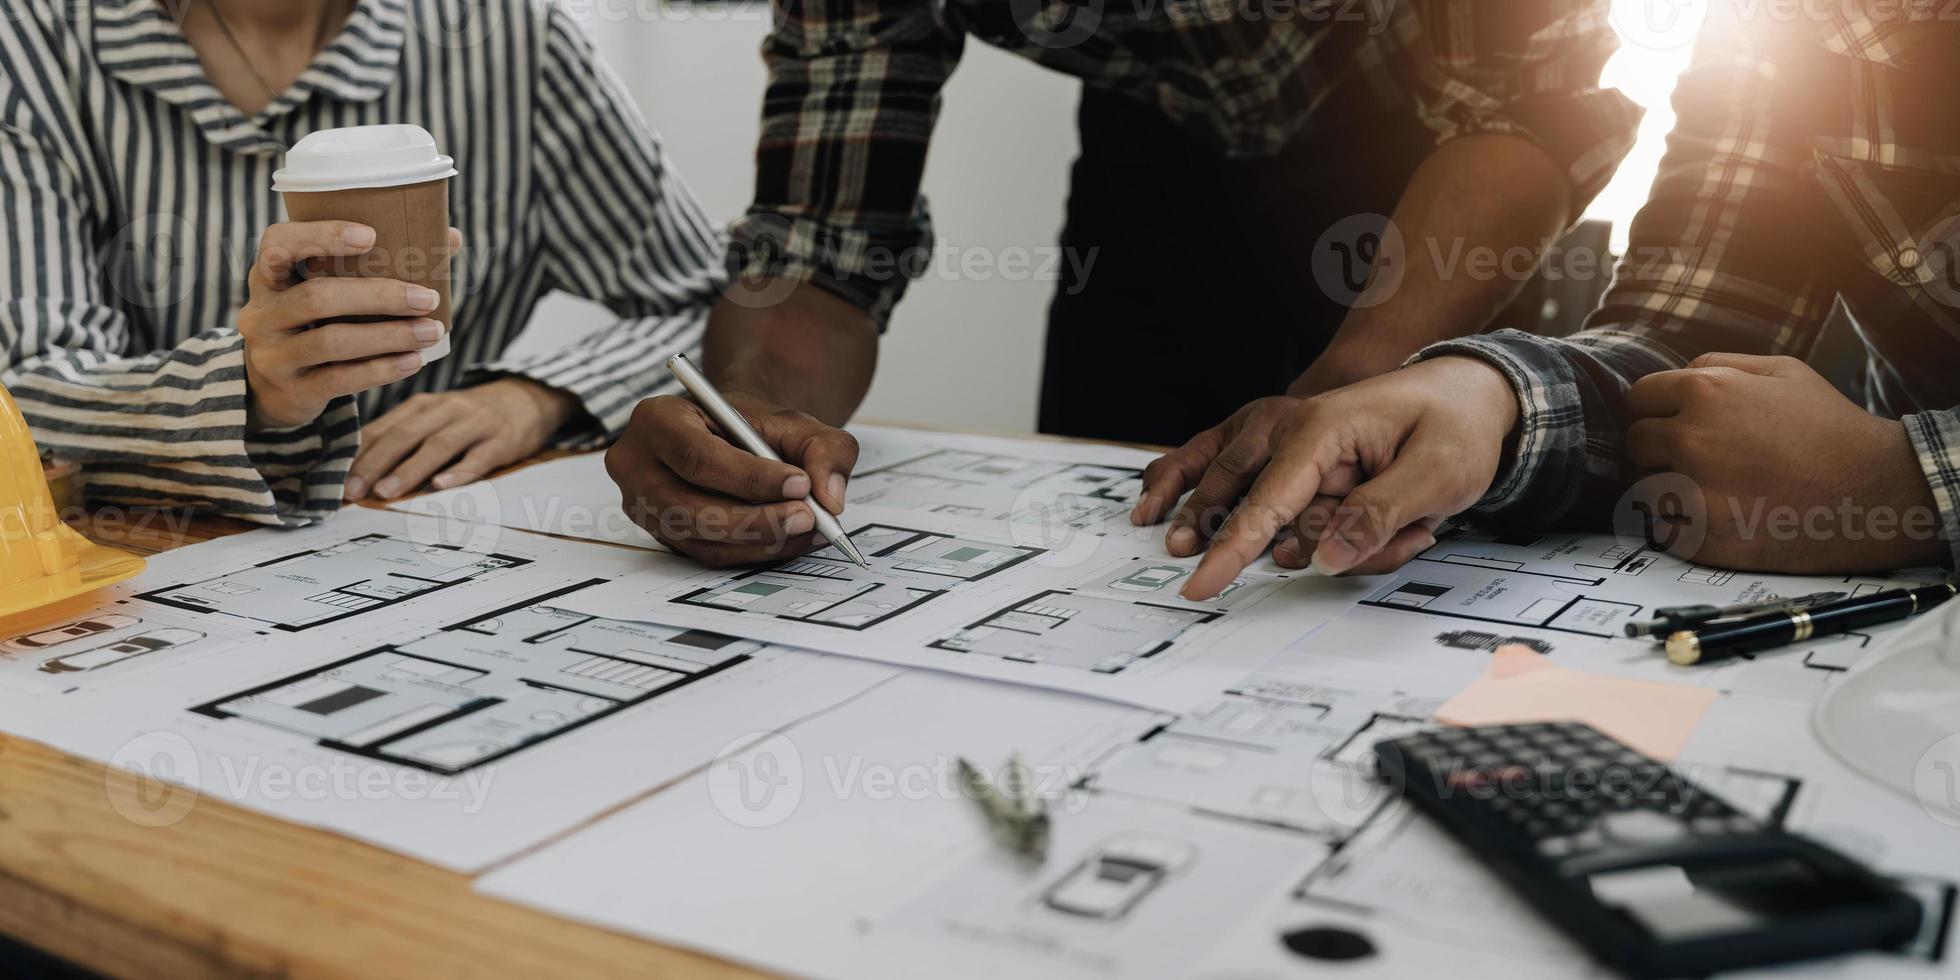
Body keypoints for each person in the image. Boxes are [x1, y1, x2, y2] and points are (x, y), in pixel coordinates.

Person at [605, 0, 1643, 565]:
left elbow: (1532, 104)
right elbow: (819, 242)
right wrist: (744, 413)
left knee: (1423, 532)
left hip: (1437, 163)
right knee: (1127, 538)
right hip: (1154, 162)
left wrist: (1368, 370)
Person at [1171, 1, 1960, 601]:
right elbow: (1688, 326)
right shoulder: (1778, 30)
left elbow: (1526, 95)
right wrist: (1486, 395)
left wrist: (1909, 485)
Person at [0, 0, 720, 525]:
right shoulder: (32, 42)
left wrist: (537, 397)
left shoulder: (515, 40)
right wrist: (249, 388)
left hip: (433, 526)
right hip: (138, 550)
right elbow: (21, 394)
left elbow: (709, 300)